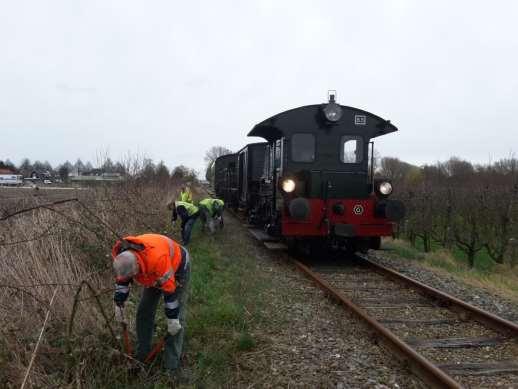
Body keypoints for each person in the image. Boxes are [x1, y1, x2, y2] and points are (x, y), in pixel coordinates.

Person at [112, 234, 191, 373]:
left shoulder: (158, 260)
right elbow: (123, 279)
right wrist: (119, 303)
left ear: (137, 264)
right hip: (152, 271)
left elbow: (170, 294)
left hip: (177, 268)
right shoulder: (123, 255)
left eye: (134, 275)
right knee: (144, 311)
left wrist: (172, 319)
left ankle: (171, 366)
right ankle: (142, 354)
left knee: (177, 318)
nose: (134, 278)